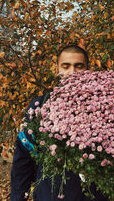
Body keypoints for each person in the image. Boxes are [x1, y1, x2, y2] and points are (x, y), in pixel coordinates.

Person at [11, 45, 108, 201]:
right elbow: (23, 158)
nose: (72, 72)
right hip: (50, 195)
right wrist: (18, 197)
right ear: (57, 69)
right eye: (66, 66)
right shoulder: (40, 106)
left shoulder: (106, 108)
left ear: (88, 70)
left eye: (79, 66)